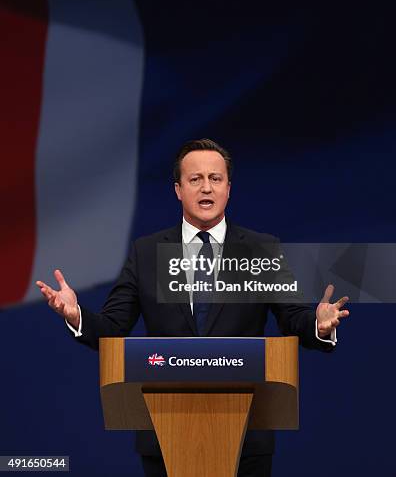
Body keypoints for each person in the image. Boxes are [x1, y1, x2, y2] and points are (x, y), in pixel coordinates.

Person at [37, 138, 349, 477]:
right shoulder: (148, 252)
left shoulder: (260, 248)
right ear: (178, 189)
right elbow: (113, 327)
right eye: (195, 179)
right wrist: (76, 315)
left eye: (215, 179)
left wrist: (318, 324)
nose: (206, 188)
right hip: (165, 430)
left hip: (246, 435)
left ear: (229, 188)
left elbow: (292, 317)